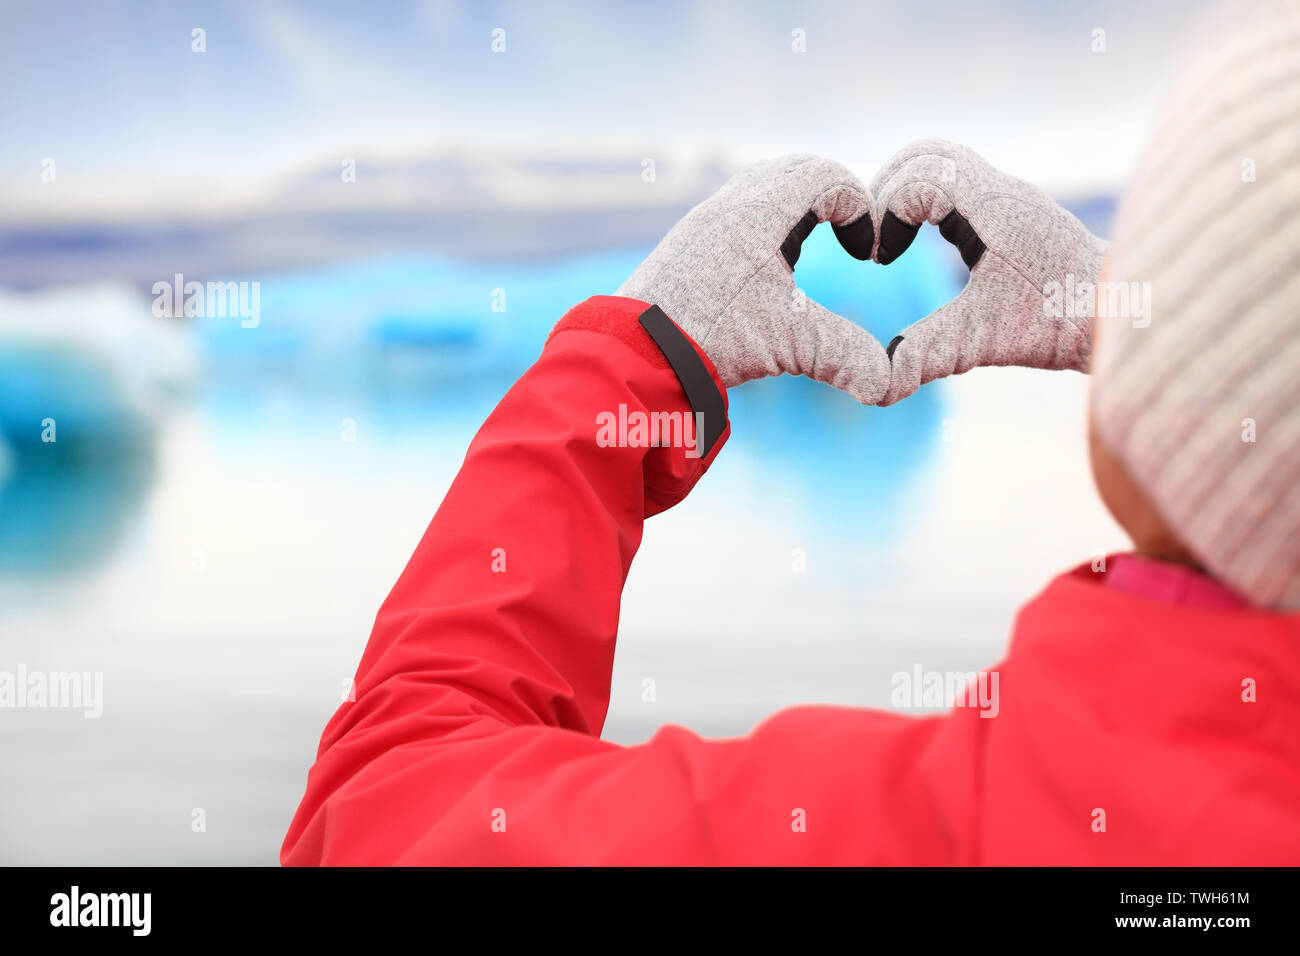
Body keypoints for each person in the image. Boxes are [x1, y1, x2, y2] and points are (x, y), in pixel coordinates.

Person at [282, 0, 1300, 865]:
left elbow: (382, 814)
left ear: (1150, 420)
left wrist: (631, 365)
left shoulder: (948, 831)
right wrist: (1175, 341)